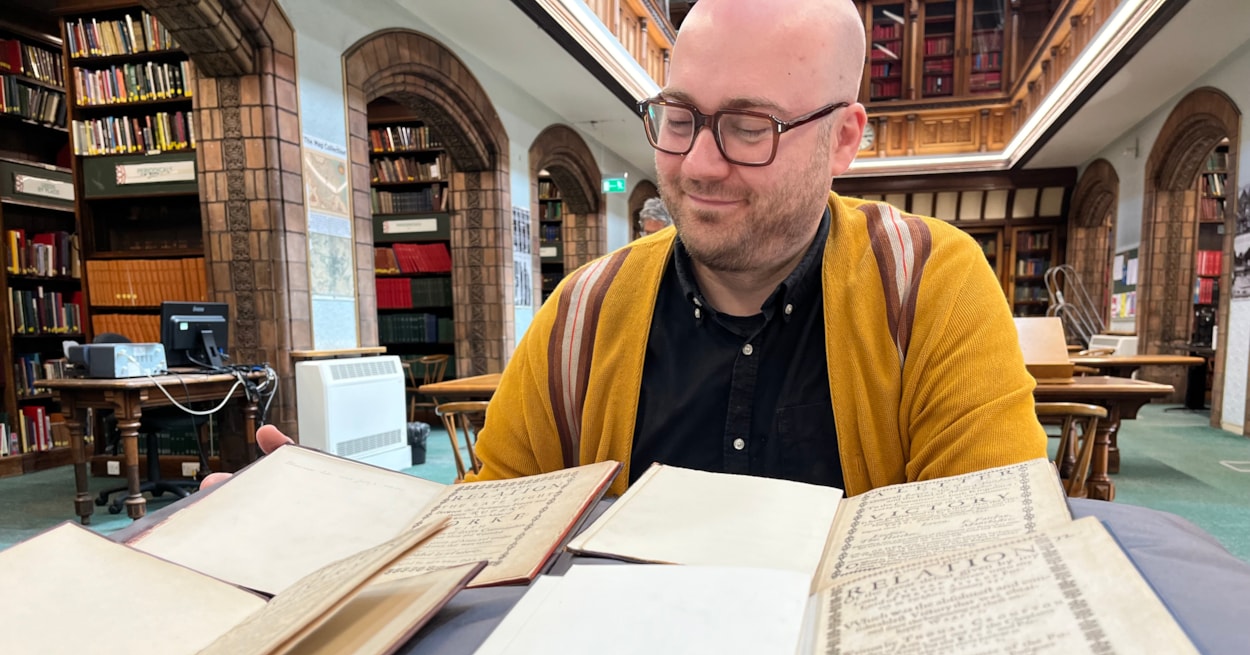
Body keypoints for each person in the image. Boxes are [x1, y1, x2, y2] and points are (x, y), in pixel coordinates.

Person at [230, 0, 1045, 497]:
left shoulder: (929, 283)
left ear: (842, 140)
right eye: (681, 116)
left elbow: (987, 546)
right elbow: (495, 526)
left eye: (748, 127)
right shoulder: (583, 310)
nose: (696, 165)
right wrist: (329, 535)